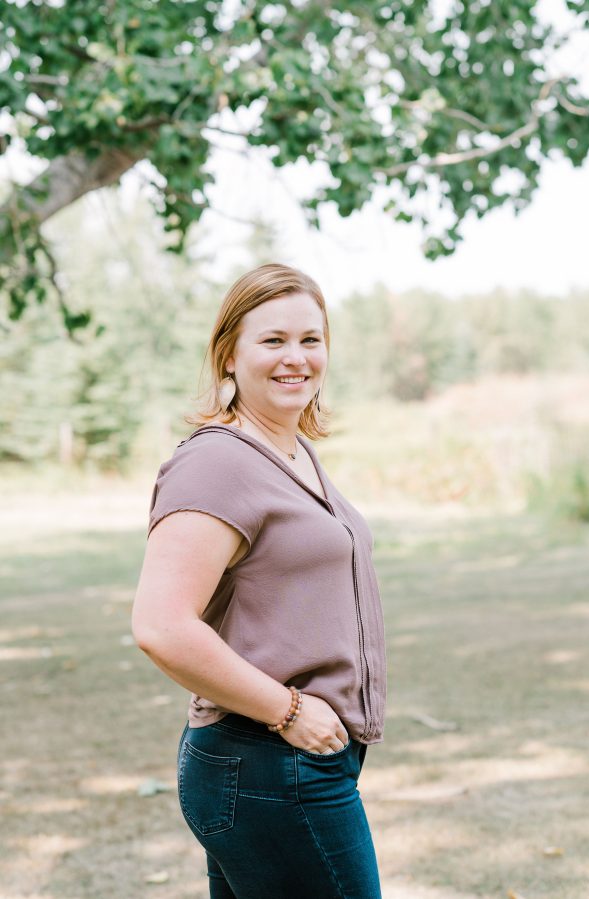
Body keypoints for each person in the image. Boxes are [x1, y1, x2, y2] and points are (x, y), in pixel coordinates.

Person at [131, 263, 387, 899]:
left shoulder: (289, 449)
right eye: (272, 340)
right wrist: (290, 710)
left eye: (311, 339)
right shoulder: (217, 462)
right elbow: (162, 626)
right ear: (229, 355)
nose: (295, 358)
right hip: (268, 760)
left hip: (286, 767)